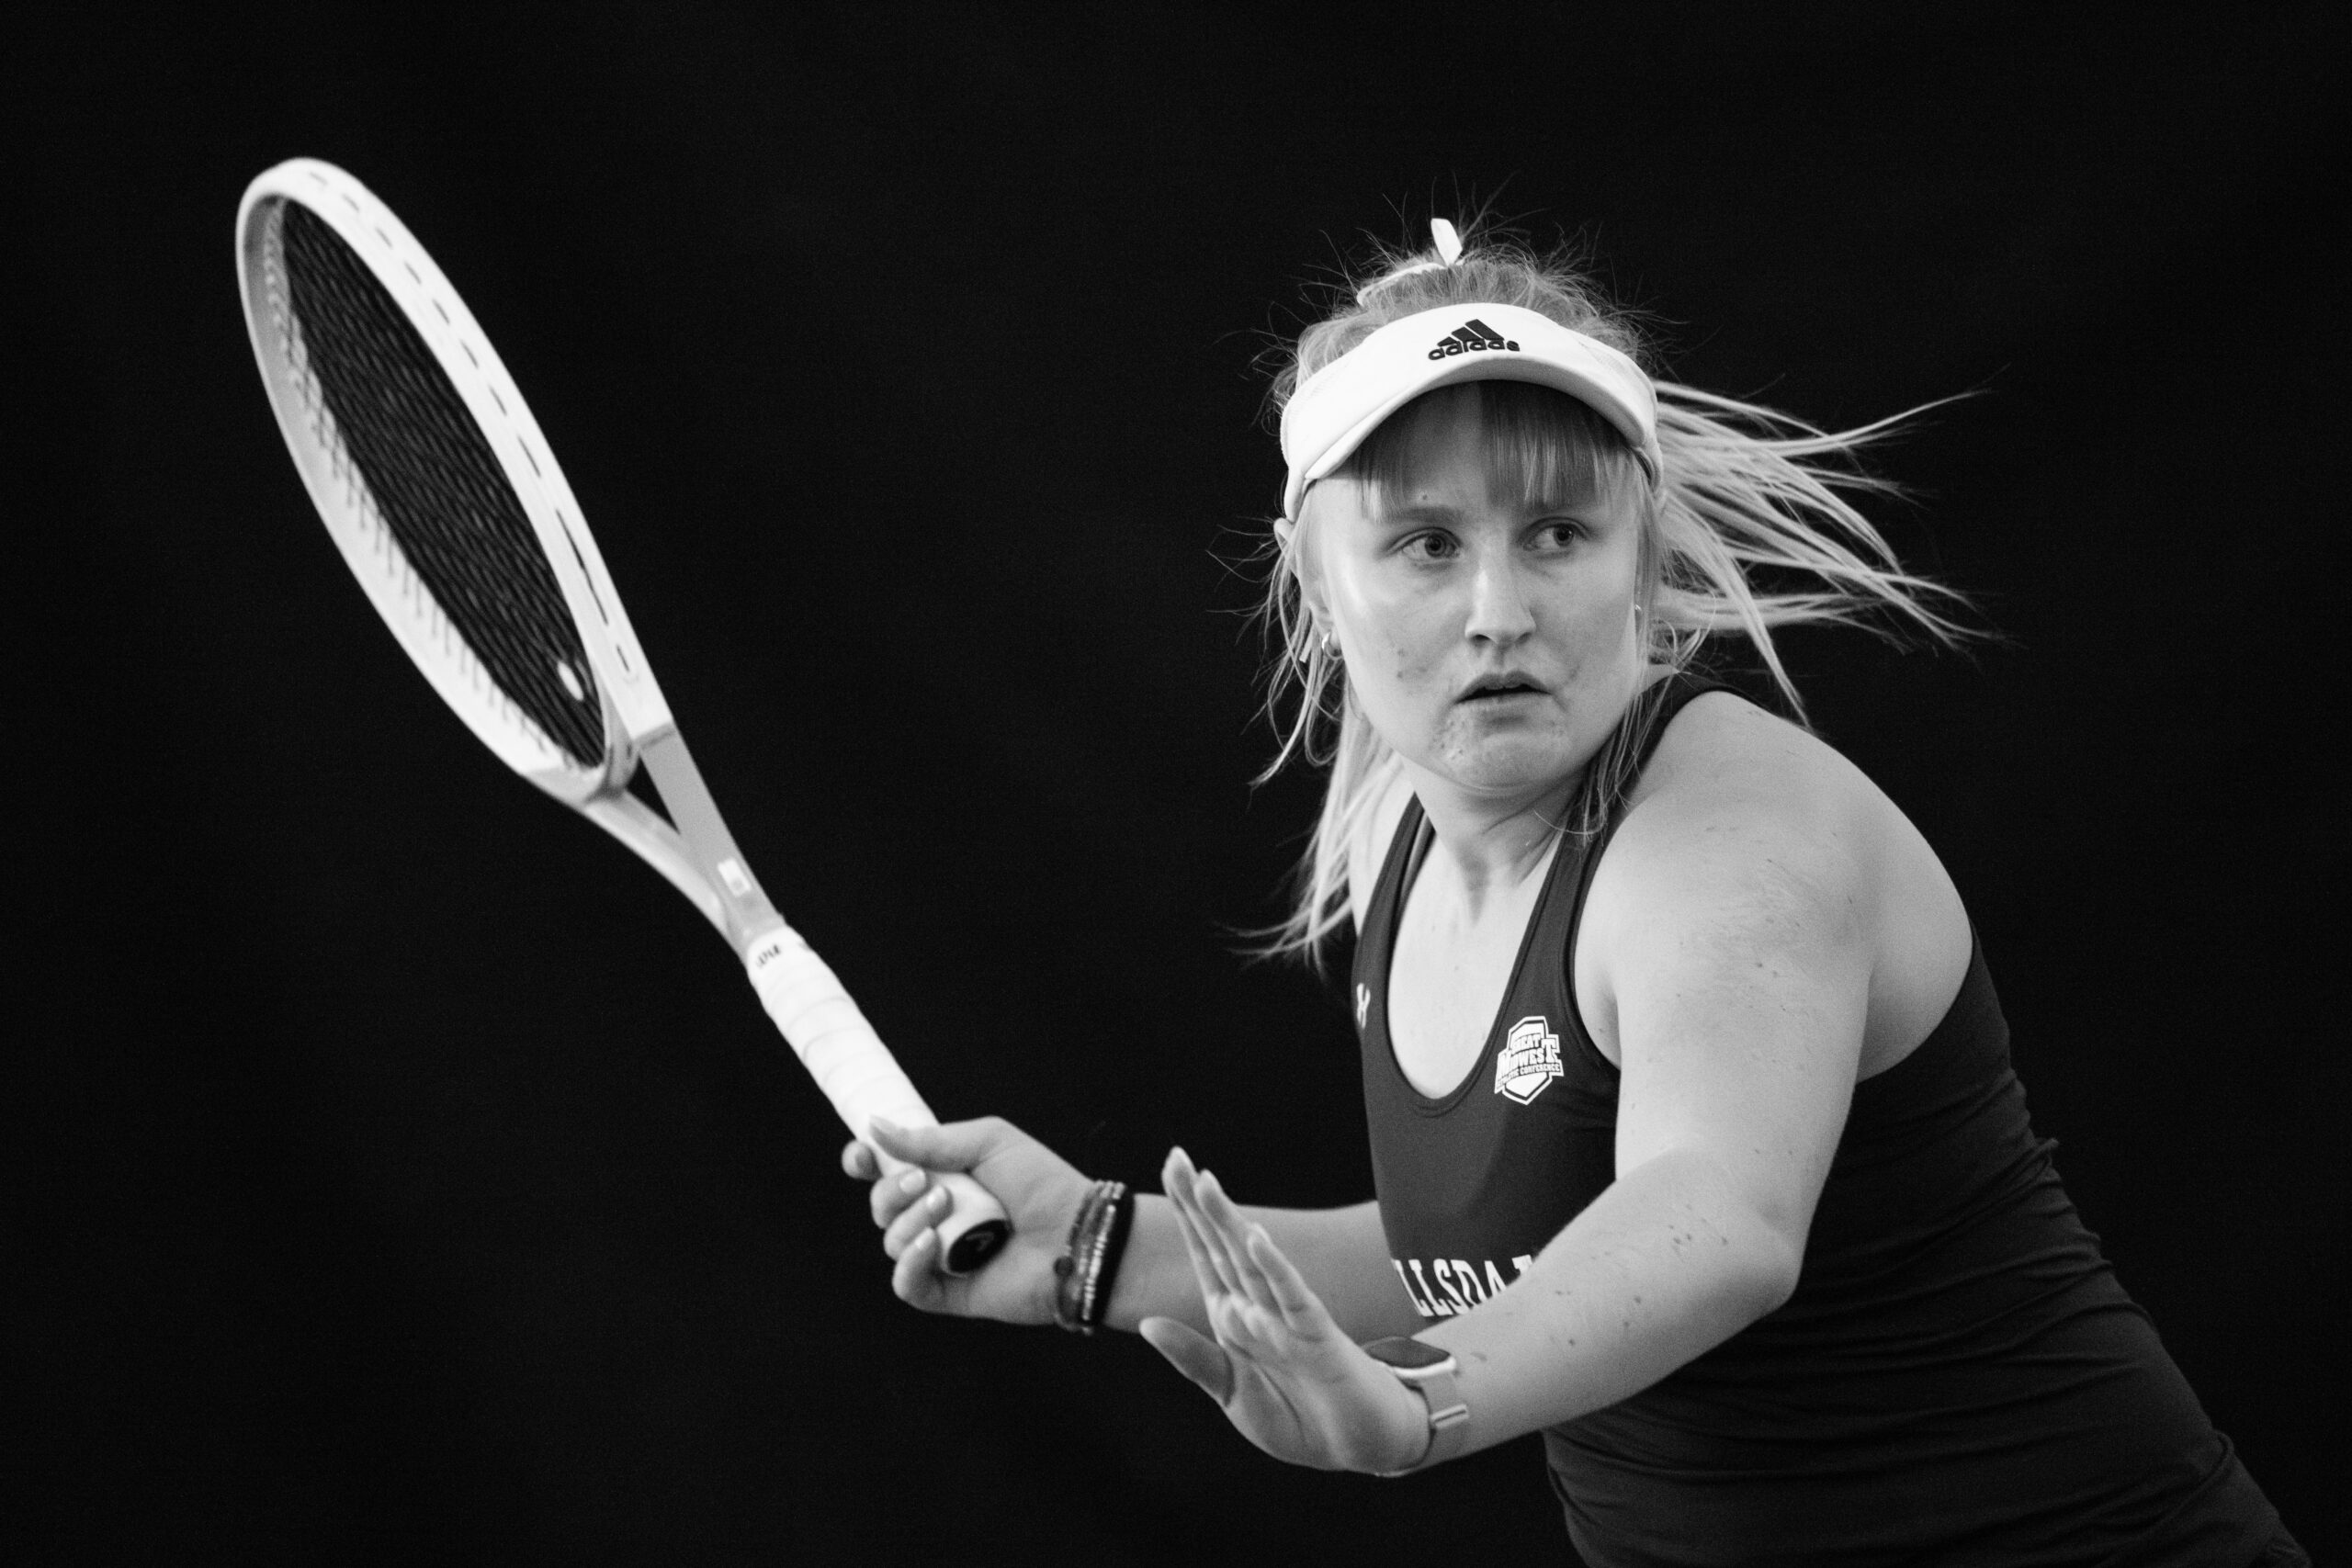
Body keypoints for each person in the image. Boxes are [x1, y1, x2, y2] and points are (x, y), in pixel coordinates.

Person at [840, 220, 2308, 1566]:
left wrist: (1418, 1407)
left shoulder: (1731, 838)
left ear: (1639, 555)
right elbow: (1496, 1254)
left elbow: (1715, 1216)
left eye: (1557, 533)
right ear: (1316, 578)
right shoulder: (1408, 842)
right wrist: (1099, 1250)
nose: (1500, 611)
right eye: (1426, 544)